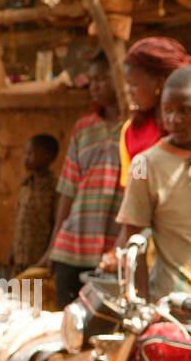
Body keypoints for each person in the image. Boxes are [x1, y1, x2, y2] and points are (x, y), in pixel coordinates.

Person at [38, 51, 123, 309]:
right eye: (92, 80)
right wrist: (52, 247)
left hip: (111, 253)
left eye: (102, 79)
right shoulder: (83, 128)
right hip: (72, 247)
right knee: (68, 327)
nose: (94, 87)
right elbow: (67, 189)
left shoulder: (137, 129)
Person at [113, 66, 191, 301]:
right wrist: (142, 304)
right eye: (167, 111)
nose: (173, 120)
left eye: (185, 111)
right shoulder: (145, 164)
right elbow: (133, 239)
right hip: (174, 304)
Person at [118, 38, 191, 187]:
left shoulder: (186, 129)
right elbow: (133, 190)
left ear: (159, 82)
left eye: (133, 85)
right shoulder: (132, 132)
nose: (128, 92)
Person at [10, 133, 58, 273]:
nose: (25, 157)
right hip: (20, 257)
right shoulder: (26, 185)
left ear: (48, 156)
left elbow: (56, 224)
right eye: (26, 153)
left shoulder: (54, 188)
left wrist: (49, 256)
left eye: (30, 153)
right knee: (16, 292)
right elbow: (20, 220)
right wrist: (13, 250)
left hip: (39, 259)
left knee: (35, 293)